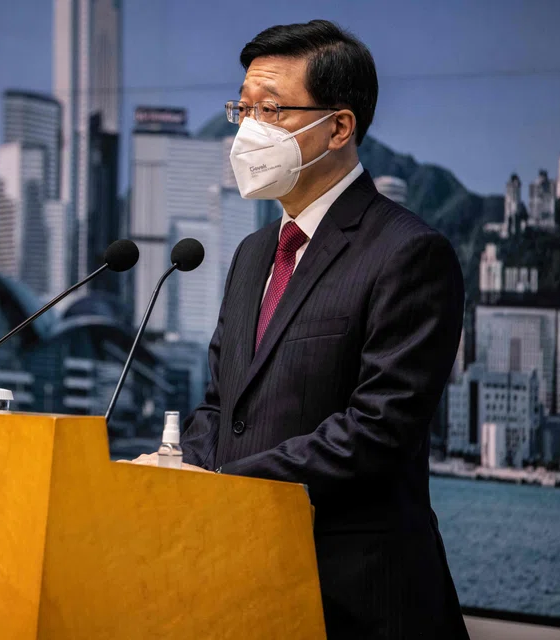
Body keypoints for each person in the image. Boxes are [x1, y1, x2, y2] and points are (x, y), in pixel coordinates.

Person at [131, 19, 468, 639]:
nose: (248, 130)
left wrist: (222, 486)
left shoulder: (409, 253)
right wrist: (174, 469)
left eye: (271, 110)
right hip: (244, 587)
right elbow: (222, 406)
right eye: (243, 109)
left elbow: (377, 431)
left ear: (339, 127)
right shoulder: (253, 253)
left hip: (357, 600)